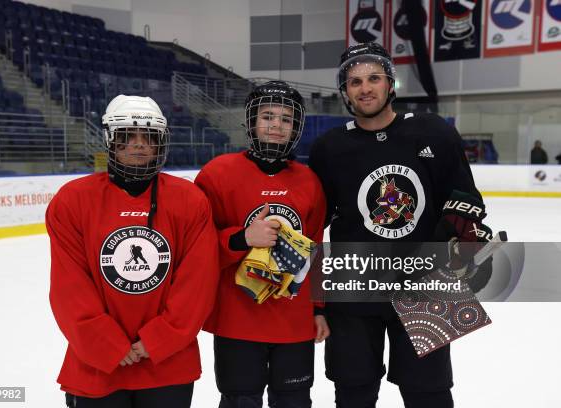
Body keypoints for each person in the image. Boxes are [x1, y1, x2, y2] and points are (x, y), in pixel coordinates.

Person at [308, 43, 494, 408]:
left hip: (426, 279)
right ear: (345, 91)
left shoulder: (434, 132)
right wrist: (316, 300)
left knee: (430, 392)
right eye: (355, 81)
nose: (365, 88)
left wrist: (458, 239)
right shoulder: (329, 148)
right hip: (354, 281)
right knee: (353, 389)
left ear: (390, 83)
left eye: (374, 78)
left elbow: (466, 199)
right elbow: (315, 223)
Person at [46, 95, 219, 408]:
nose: (139, 144)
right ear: (112, 140)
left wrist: (159, 339)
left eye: (148, 137)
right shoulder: (72, 201)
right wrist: (106, 344)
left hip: (167, 364)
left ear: (159, 144)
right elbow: (69, 287)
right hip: (99, 364)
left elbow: (198, 284)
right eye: (128, 136)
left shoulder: (189, 200)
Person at [194, 81, 330, 408]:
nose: (276, 126)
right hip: (237, 319)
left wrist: (319, 309)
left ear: (295, 128)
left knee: (294, 401)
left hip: (293, 321)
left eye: (286, 119)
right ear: (252, 121)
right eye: (268, 116)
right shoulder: (217, 175)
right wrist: (242, 238)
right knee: (240, 400)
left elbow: (314, 248)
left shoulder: (309, 181)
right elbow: (196, 248)